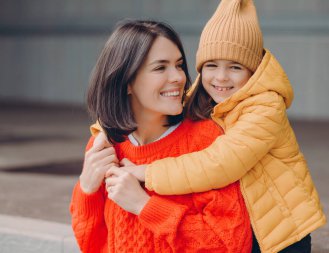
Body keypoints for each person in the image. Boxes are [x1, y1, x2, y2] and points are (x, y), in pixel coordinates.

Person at [91, 1, 327, 252]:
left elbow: (218, 163)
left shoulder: (265, 107)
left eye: (235, 67)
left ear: (253, 71)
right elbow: (145, 107)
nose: (221, 77)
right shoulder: (203, 93)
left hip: (279, 231)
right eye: (211, 65)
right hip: (244, 217)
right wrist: (104, 131)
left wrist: (145, 173)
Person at [70, 19, 253, 253]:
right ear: (127, 82)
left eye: (178, 65)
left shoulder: (207, 142)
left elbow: (231, 246)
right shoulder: (106, 145)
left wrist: (143, 205)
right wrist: (87, 187)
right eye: (160, 67)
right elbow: (91, 244)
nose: (178, 77)